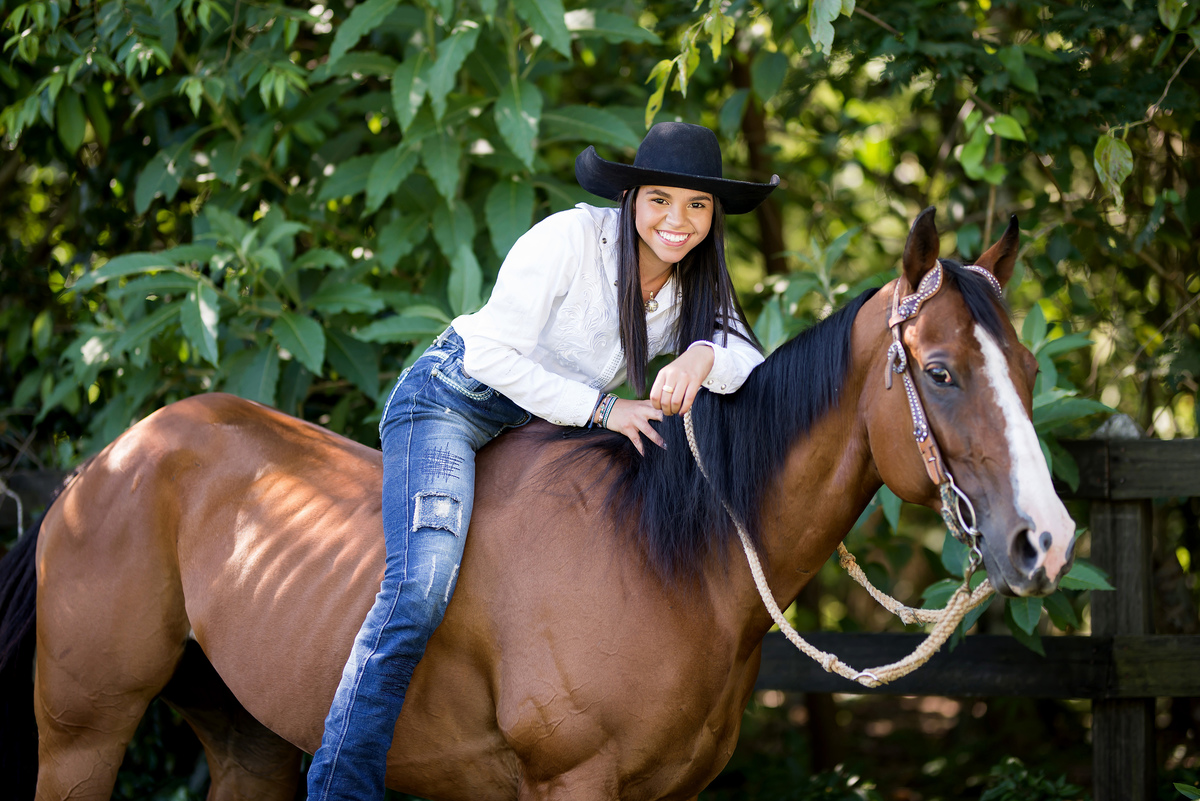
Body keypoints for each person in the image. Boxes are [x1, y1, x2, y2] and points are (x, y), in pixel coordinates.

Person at [306, 121, 779, 800]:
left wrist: (703, 352)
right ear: (632, 198)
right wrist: (604, 408)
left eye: (698, 206)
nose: (678, 221)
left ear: (714, 217)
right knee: (422, 584)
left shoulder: (692, 283)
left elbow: (748, 359)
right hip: (452, 401)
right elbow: (492, 355)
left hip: (543, 424)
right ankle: (337, 785)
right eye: (661, 200)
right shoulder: (570, 240)